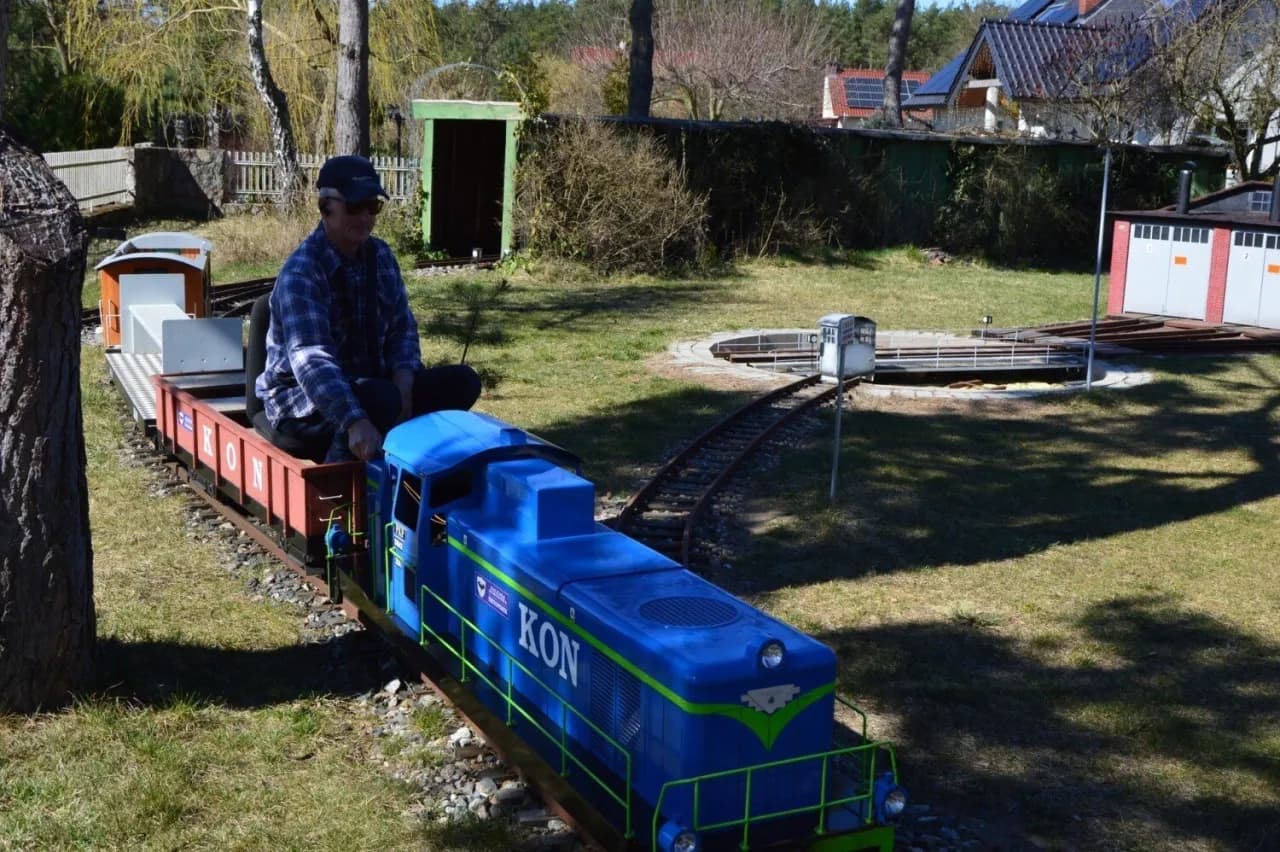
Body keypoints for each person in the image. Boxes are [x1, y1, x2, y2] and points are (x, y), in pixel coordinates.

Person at [256, 155, 481, 463]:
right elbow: (312, 361)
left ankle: (428, 463)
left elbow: (402, 328)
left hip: (372, 387)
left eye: (372, 207)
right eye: (353, 207)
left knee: (462, 381)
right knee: (379, 398)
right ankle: (340, 491)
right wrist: (354, 419)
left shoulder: (382, 256)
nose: (364, 218)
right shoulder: (302, 272)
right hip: (302, 403)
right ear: (325, 208)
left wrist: (405, 382)